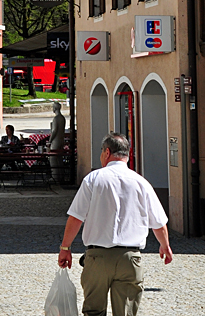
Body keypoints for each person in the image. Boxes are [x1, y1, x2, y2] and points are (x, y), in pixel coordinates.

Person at [57, 132, 173, 316]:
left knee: (94, 311)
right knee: (126, 313)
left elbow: (76, 217)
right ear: (126, 155)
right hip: (130, 258)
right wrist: (165, 246)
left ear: (107, 152)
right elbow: (158, 222)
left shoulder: (93, 179)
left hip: (97, 257)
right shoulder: (141, 183)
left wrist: (65, 247)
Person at [49, 100, 66, 180]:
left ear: (55, 108)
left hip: (55, 141)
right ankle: (61, 175)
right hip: (61, 140)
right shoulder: (62, 118)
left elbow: (54, 130)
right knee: (59, 159)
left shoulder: (56, 118)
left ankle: (55, 176)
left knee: (53, 158)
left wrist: (50, 140)